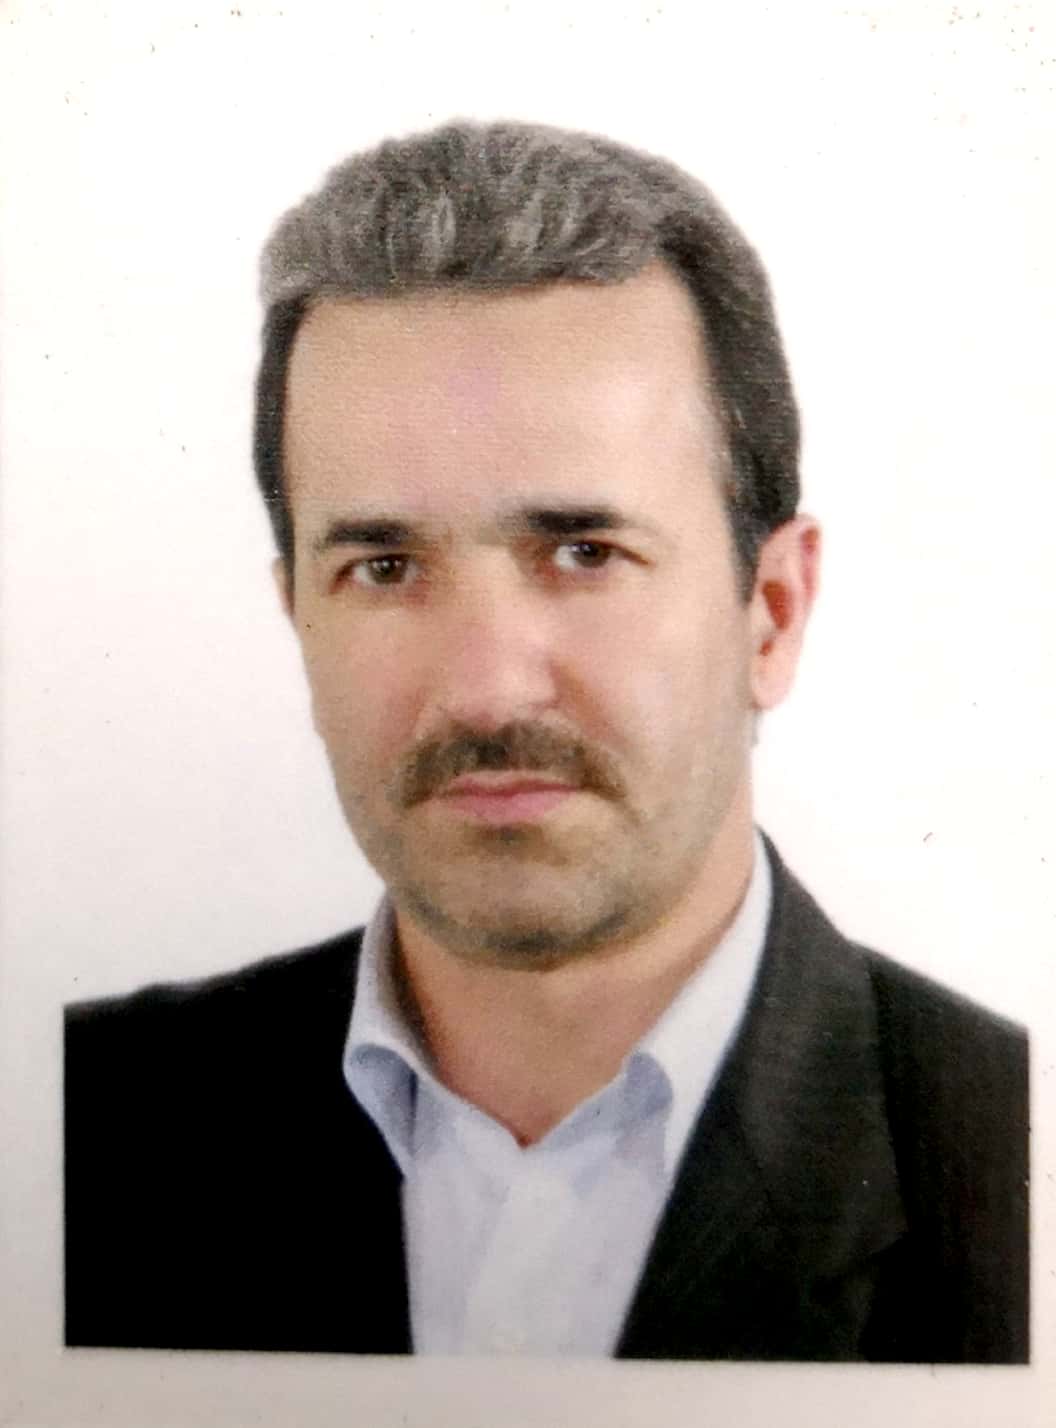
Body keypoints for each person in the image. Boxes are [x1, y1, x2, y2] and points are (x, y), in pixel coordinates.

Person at [64, 119, 1028, 1362]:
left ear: (773, 613)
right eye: (384, 566)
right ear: (298, 613)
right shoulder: (72, 1128)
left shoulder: (1012, 1170)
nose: (484, 690)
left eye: (584, 552)